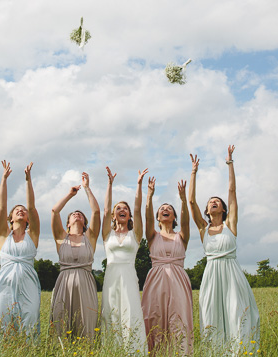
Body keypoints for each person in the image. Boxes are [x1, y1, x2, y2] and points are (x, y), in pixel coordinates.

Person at [188, 146, 260, 352]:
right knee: (211, 315)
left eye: (217, 202)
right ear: (207, 209)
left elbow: (232, 191)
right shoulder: (203, 228)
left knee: (237, 314)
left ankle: (240, 352)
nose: (213, 203)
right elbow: (191, 200)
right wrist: (193, 172)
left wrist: (230, 163)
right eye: (211, 202)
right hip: (211, 275)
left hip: (232, 273)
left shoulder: (231, 225)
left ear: (223, 208)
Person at [0, 160, 41, 340]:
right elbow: (2, 206)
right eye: (17, 210)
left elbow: (32, 207)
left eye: (23, 211)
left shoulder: (32, 235)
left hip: (28, 282)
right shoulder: (4, 235)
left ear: (27, 219)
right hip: (4, 283)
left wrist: (28, 181)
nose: (21, 211)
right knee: (0, 318)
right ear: (10, 218)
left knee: (31, 319)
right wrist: (4, 179)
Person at [141, 175, 193, 355]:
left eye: (169, 209)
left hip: (178, 280)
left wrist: (183, 199)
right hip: (156, 279)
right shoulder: (152, 236)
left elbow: (186, 220)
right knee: (155, 316)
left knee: (179, 318)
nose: (165, 209)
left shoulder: (182, 236)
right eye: (162, 208)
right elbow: (146, 218)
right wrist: (149, 195)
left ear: (174, 216)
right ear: (157, 216)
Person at [100, 166, 148, 352]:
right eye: (118, 208)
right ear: (114, 215)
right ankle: (111, 351)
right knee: (110, 315)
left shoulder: (135, 234)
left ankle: (134, 352)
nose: (122, 210)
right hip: (111, 278)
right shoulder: (107, 234)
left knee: (131, 314)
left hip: (128, 277)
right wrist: (110, 184)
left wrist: (139, 184)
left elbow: (138, 209)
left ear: (128, 215)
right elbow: (104, 210)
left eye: (125, 209)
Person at [50, 172, 101, 339]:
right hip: (64, 283)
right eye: (73, 214)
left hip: (86, 283)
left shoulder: (90, 238)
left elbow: (96, 212)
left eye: (80, 214)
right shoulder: (60, 237)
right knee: (61, 323)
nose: (77, 214)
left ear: (85, 223)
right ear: (67, 223)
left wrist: (87, 188)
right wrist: (70, 195)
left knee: (87, 323)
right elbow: (54, 211)